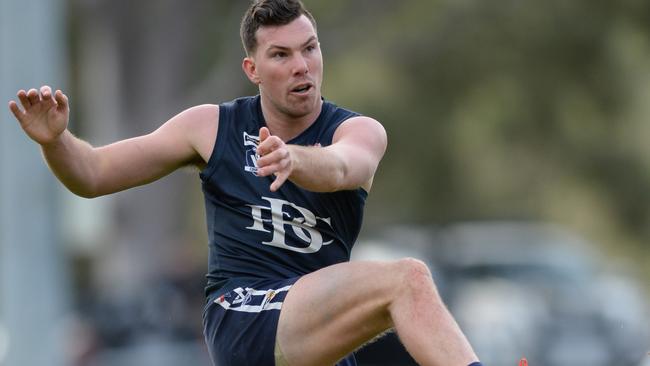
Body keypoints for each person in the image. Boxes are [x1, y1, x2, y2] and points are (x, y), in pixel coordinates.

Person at [8, 1, 488, 365]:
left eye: (309, 48)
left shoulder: (357, 130)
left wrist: (293, 159)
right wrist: (56, 142)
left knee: (406, 313)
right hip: (243, 317)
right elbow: (92, 174)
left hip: (315, 329)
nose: (301, 66)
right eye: (281, 54)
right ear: (252, 69)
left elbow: (343, 167)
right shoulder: (210, 127)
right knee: (407, 279)